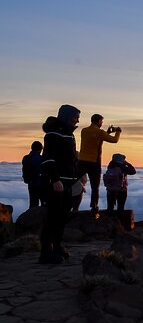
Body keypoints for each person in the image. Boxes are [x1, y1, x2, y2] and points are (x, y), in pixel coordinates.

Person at [39, 104, 81, 263]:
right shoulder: (53, 133)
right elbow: (48, 158)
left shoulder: (69, 134)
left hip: (68, 182)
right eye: (75, 117)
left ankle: (56, 246)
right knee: (53, 217)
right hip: (56, 183)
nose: (77, 120)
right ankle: (45, 252)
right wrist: (55, 179)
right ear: (66, 116)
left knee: (62, 217)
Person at [78, 113, 122, 213]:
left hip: (82, 161)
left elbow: (96, 139)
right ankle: (94, 207)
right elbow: (115, 140)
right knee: (95, 187)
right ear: (98, 121)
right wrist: (118, 131)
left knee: (72, 180)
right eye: (102, 121)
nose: (102, 123)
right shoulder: (100, 132)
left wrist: (107, 132)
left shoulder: (84, 131)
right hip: (94, 162)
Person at [22, 141, 44, 208]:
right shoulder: (41, 158)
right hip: (41, 184)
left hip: (31, 184)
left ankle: (31, 217)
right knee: (44, 204)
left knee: (33, 203)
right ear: (40, 149)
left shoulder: (26, 158)